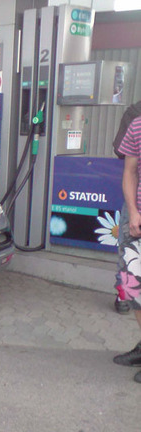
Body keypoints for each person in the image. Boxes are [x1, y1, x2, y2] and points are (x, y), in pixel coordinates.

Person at [113, 115, 141, 383]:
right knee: (132, 285)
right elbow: (130, 171)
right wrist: (133, 211)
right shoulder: (137, 124)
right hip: (137, 217)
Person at [113, 100, 141, 314]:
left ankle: (122, 294)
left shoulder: (134, 110)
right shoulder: (135, 115)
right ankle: (124, 293)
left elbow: (118, 149)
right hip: (136, 201)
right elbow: (125, 157)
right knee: (130, 256)